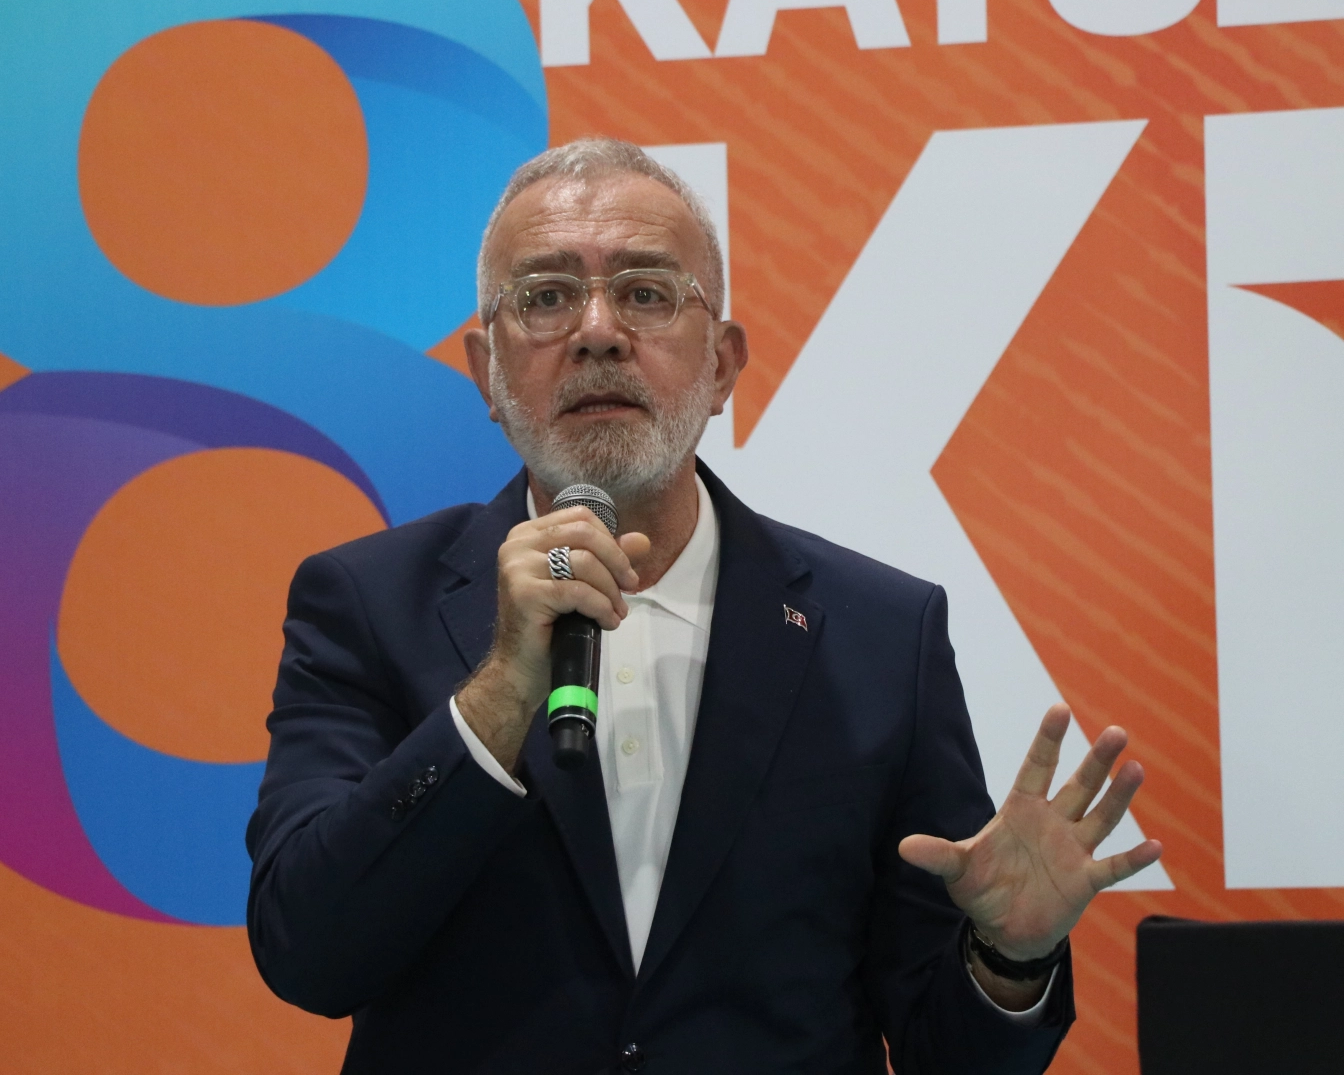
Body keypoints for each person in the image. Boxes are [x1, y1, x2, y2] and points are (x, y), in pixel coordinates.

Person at [246, 138, 1162, 1074]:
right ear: (486, 371)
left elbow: (947, 1054)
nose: (597, 331)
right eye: (547, 297)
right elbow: (308, 953)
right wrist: (495, 700)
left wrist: (1009, 958)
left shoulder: (883, 637)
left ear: (723, 366)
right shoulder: (364, 604)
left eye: (646, 293)